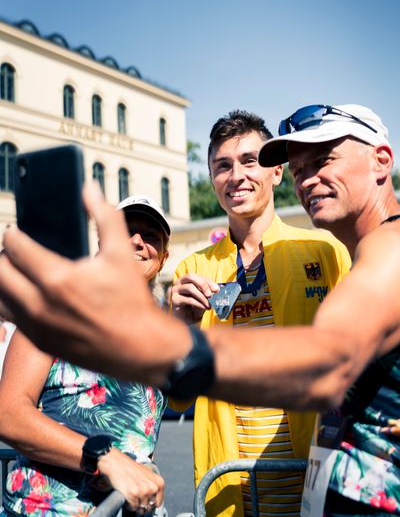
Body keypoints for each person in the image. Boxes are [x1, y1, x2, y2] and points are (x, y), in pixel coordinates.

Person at [0, 104, 399, 515]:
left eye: (324, 159)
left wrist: (162, 346)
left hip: (324, 484)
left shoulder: (384, 248)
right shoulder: (364, 252)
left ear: (381, 160)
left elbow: (328, 364)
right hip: (232, 483)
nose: (308, 179)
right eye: (300, 168)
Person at [170, 110, 351, 517]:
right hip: (228, 487)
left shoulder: (326, 252)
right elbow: (177, 401)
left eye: (250, 161)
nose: (236, 176)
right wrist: (179, 328)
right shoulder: (190, 272)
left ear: (276, 172)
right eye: (222, 166)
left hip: (312, 482)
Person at [0, 194, 170, 516]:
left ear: (161, 259)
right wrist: (104, 458)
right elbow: (7, 412)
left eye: (150, 237)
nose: (136, 241)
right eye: (124, 231)